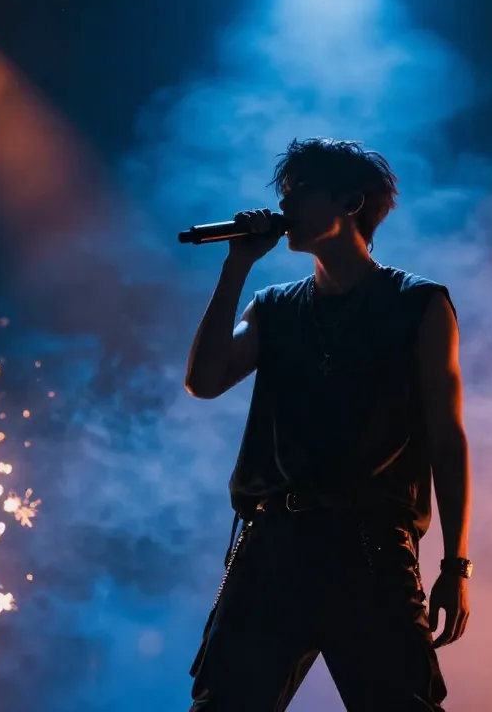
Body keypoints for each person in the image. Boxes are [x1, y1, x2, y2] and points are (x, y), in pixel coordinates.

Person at [183, 138, 472, 712]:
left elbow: (447, 440)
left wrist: (455, 565)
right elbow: (204, 380)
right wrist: (237, 265)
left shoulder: (418, 304)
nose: (284, 206)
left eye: (299, 192)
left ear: (349, 202)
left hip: (370, 547)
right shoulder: (274, 307)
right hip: (271, 544)